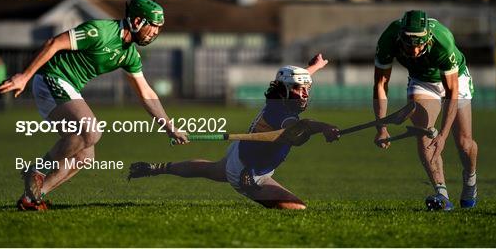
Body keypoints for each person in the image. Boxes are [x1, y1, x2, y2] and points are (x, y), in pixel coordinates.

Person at [0, 0, 189, 211]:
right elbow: (54, 43)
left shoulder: (129, 54)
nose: (155, 33)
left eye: (159, 29)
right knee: (91, 131)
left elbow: (145, 93)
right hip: (51, 77)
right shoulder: (100, 30)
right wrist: (24, 76)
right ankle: (37, 169)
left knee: (85, 156)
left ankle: (32, 198)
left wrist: (169, 126)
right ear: (137, 22)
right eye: (153, 27)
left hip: (69, 86)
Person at [128, 54, 340, 209]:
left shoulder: (279, 98)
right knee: (297, 209)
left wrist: (312, 68)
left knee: (210, 170)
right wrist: (324, 128)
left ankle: (157, 167)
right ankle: (252, 190)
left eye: (307, 89)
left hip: (241, 153)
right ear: (284, 89)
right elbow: (304, 127)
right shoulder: (281, 113)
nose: (304, 94)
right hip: (249, 172)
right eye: (298, 89)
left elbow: (294, 83)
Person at [373, 10, 478, 211]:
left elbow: (451, 92)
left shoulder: (442, 40)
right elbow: (380, 84)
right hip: (422, 82)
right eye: (408, 43)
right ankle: (442, 194)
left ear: (428, 38)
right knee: (424, 133)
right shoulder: (389, 38)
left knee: (464, 143)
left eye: (418, 44)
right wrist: (381, 127)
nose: (413, 50)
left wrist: (444, 135)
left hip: (454, 81)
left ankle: (470, 178)